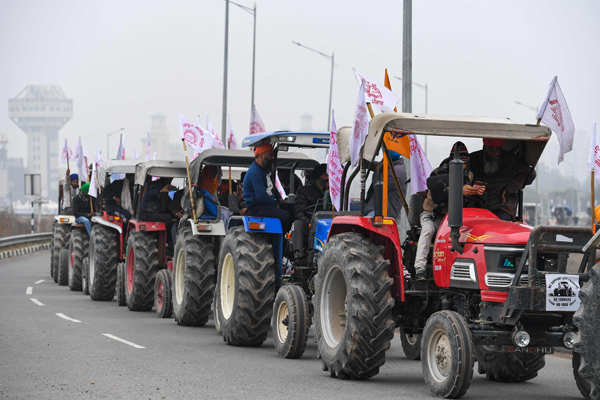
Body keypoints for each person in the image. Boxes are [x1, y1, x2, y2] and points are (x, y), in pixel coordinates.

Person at [414, 142, 485, 278]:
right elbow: (438, 193)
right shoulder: (438, 173)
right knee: (428, 231)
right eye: (460, 157)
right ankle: (420, 268)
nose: (464, 161)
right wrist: (459, 190)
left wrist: (477, 191)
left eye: (466, 157)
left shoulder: (469, 175)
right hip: (433, 215)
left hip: (456, 217)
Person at [470, 138, 536, 221]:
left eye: (497, 149)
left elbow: (530, 174)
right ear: (484, 147)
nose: (494, 152)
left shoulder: (511, 160)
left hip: (502, 207)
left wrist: (509, 188)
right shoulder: (473, 159)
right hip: (477, 205)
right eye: (491, 149)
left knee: (501, 222)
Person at [243, 142, 291, 232]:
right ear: (262, 155)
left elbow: (272, 188)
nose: (272, 158)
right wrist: (277, 202)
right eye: (270, 155)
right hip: (257, 209)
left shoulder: (264, 171)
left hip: (265, 207)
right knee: (285, 216)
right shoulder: (255, 172)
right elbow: (261, 196)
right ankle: (284, 241)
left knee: (291, 209)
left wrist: (282, 200)